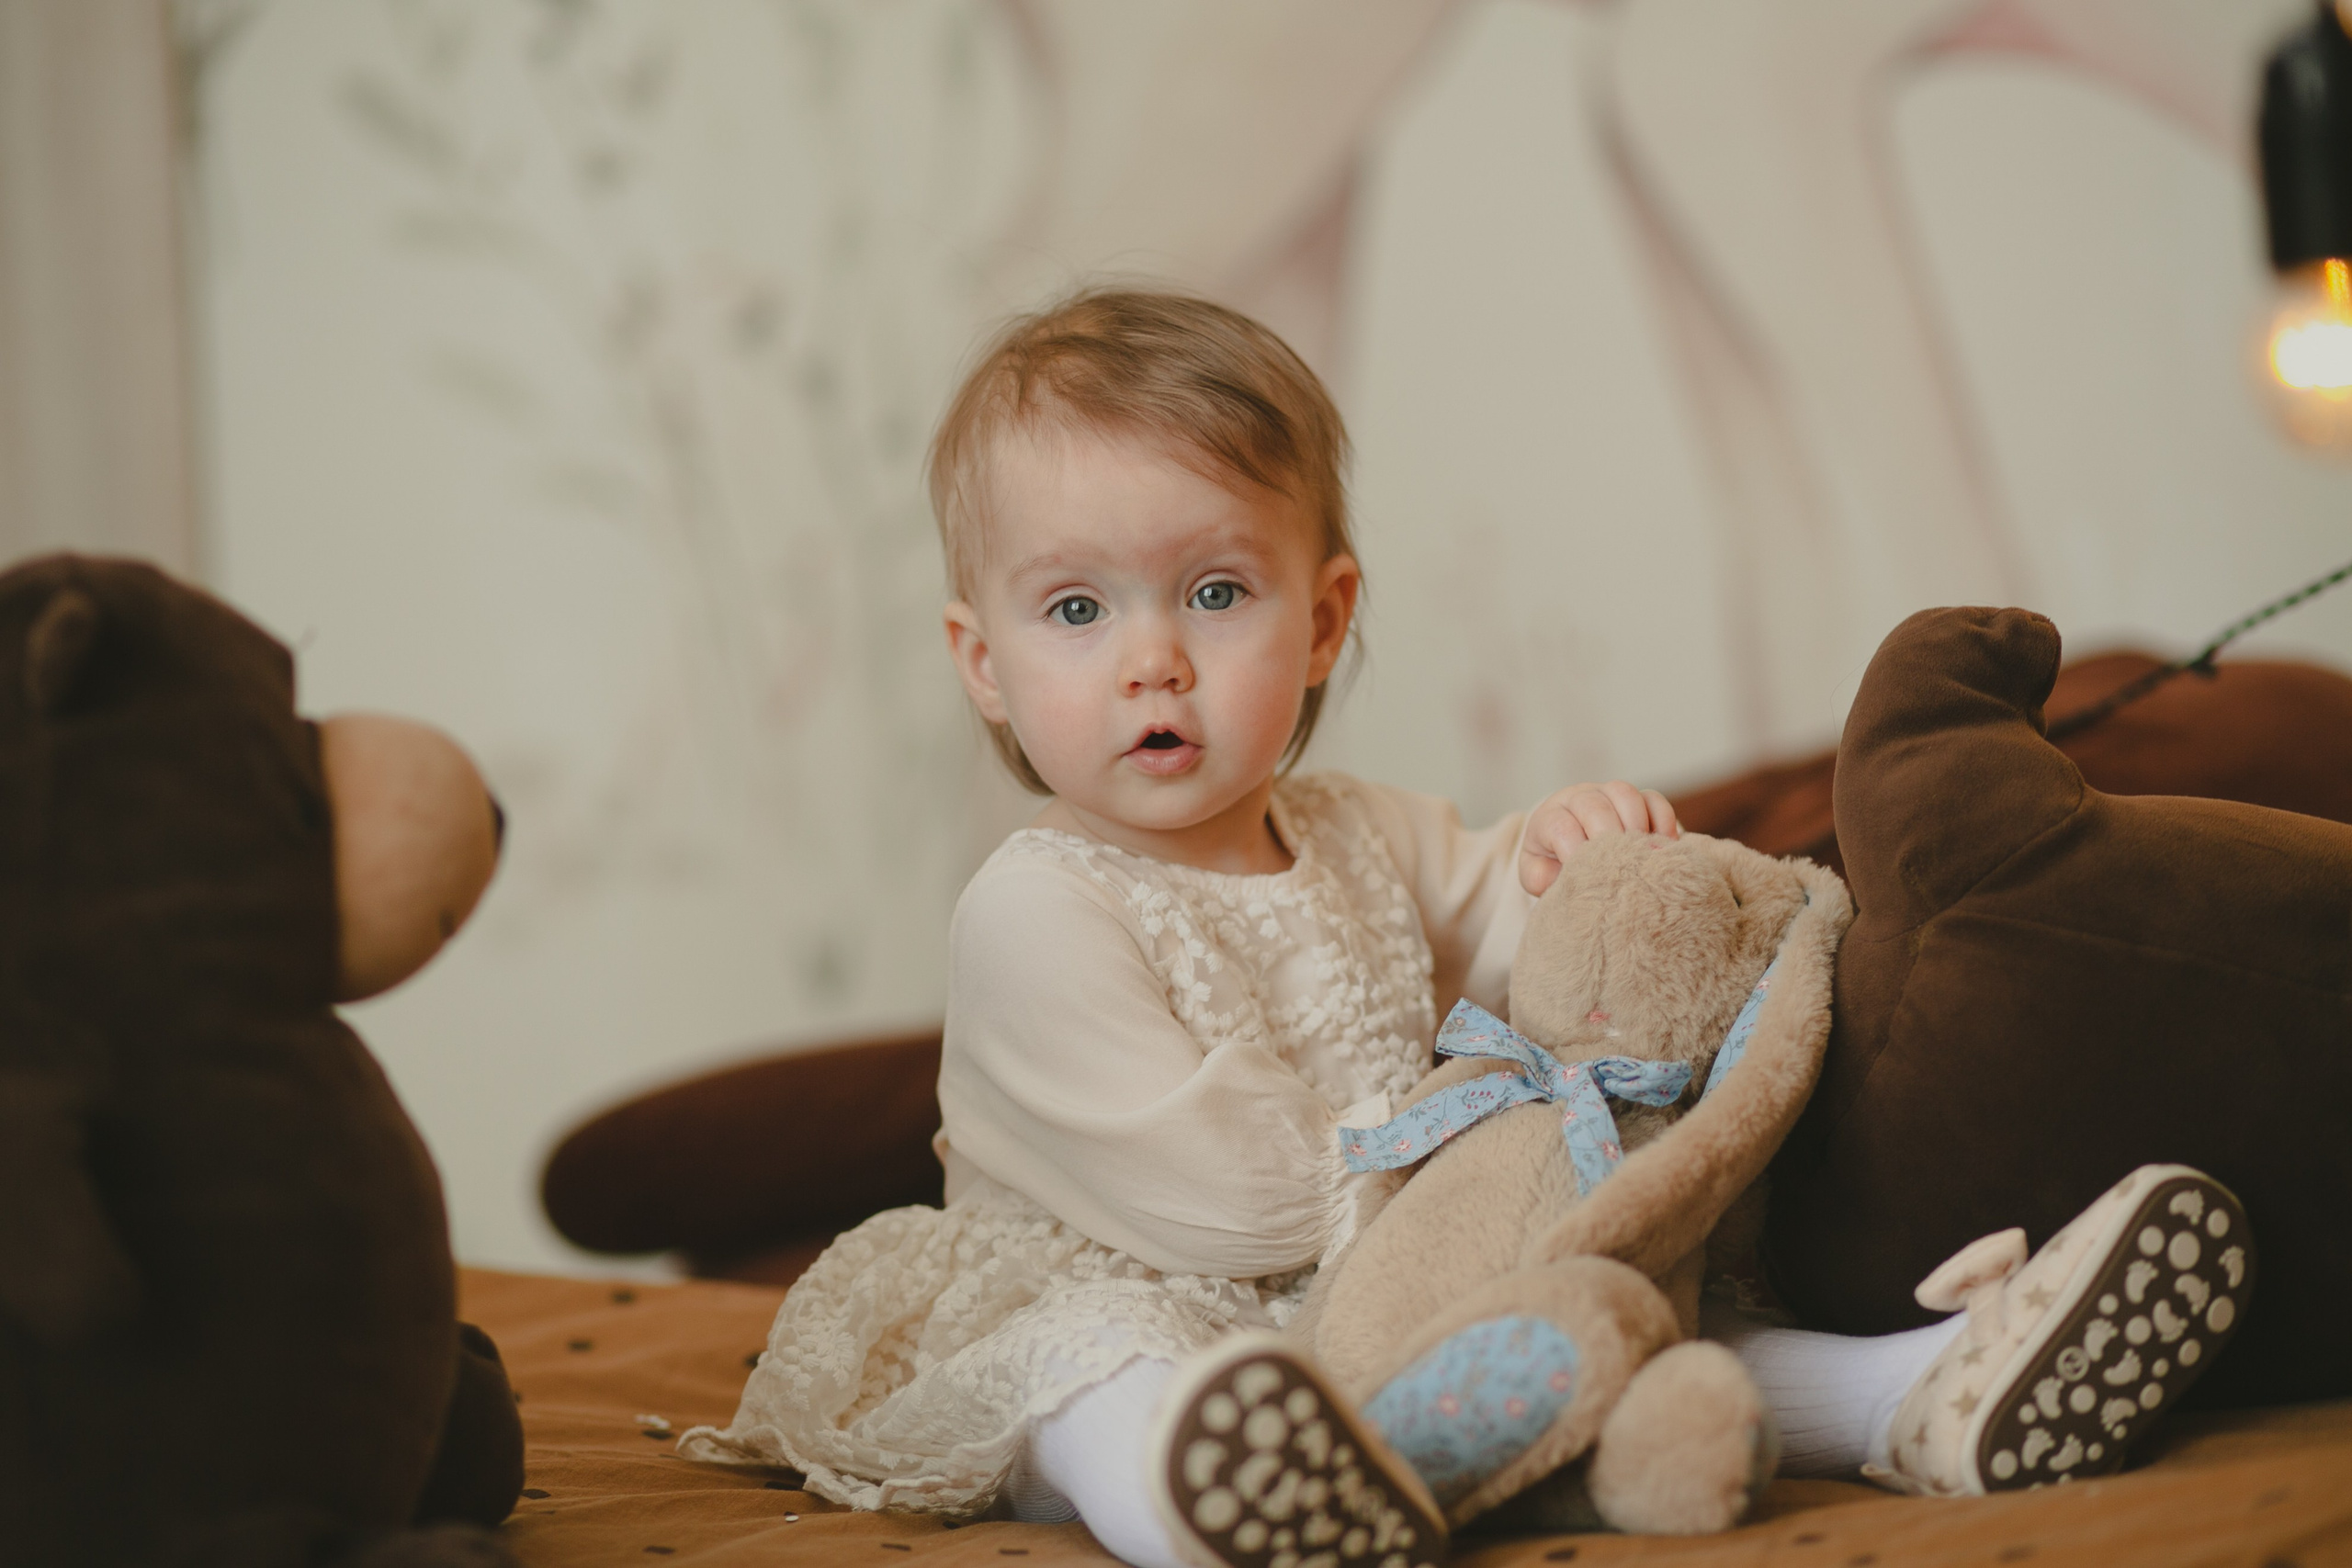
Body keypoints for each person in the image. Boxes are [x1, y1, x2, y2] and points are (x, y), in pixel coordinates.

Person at [680, 288, 2249, 1566]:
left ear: (1325, 622)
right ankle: (1216, 1502)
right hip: (1143, 1291)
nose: (1151, 660)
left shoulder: (1359, 830)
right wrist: (1469, 1179)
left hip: (1387, 1289)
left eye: (1216, 594)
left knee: (1624, 1294)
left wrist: (1571, 855)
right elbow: (1234, 1210)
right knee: (1095, 1392)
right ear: (983, 662)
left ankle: (1925, 1390)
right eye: (1077, 611)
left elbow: (1520, 932)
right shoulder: (1036, 911)